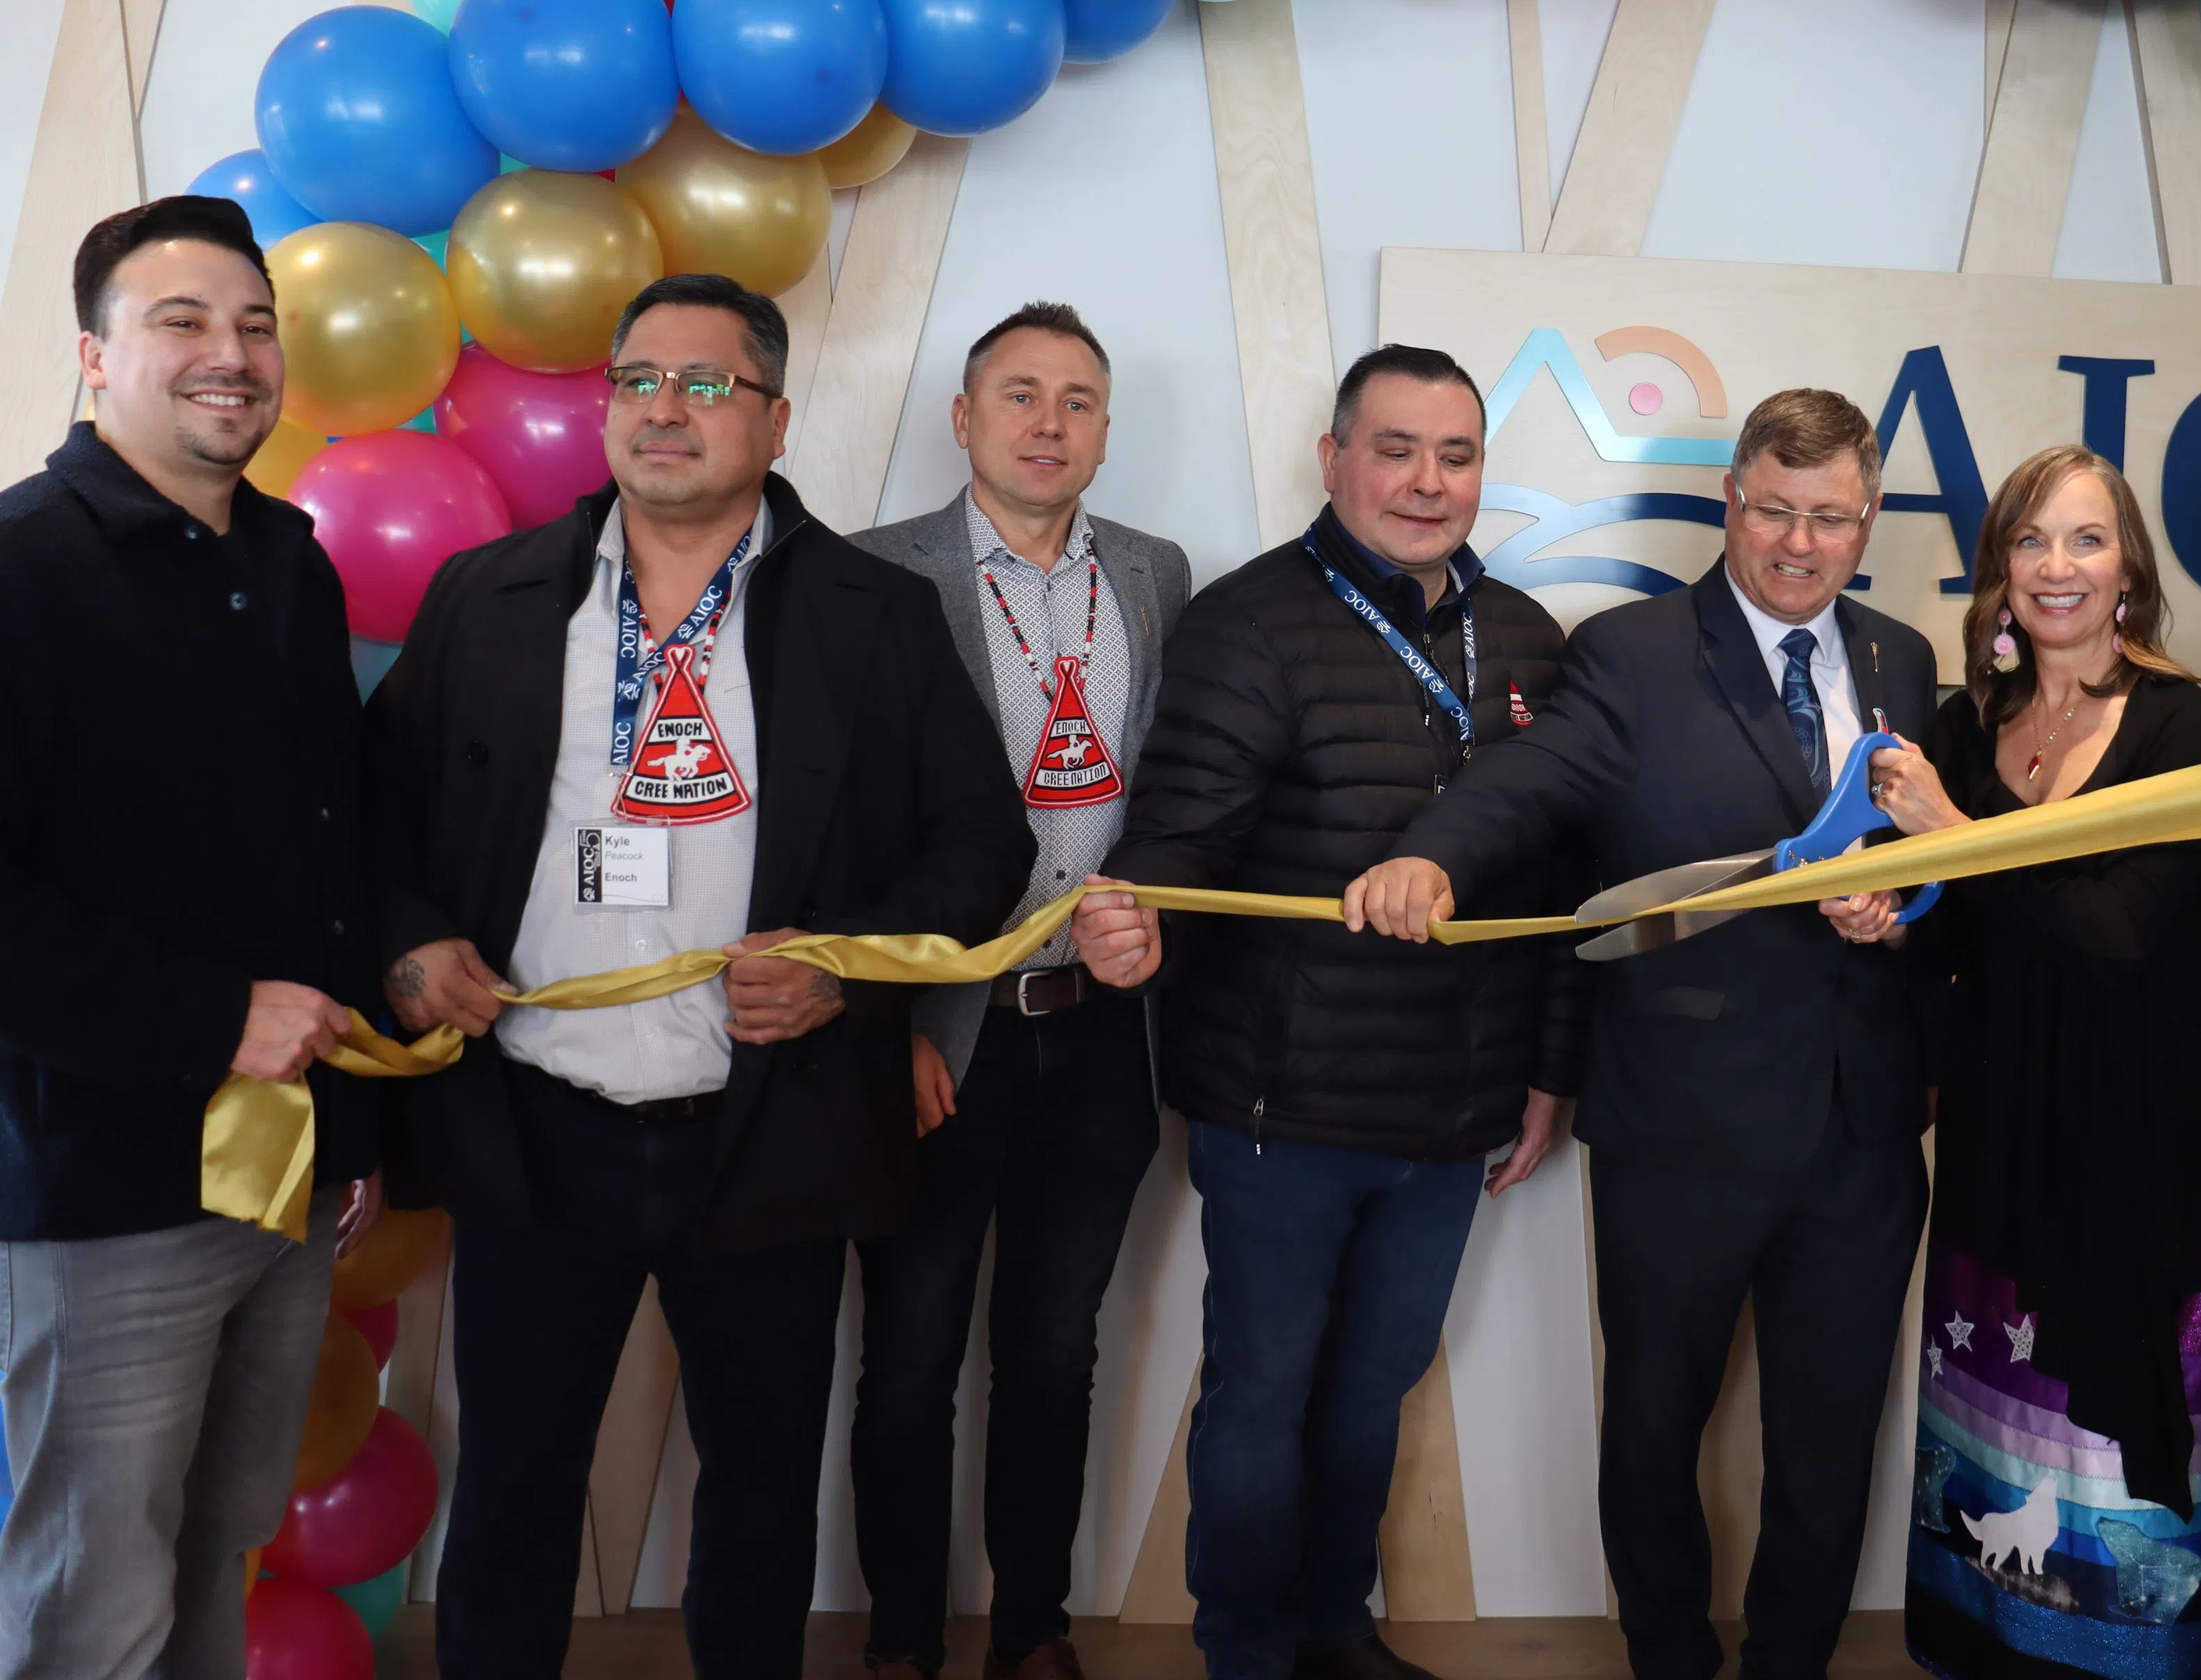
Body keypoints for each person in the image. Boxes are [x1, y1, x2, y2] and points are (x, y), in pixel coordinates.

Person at [365, 273, 1034, 1679]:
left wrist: (845, 973)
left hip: (769, 1128)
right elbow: (370, 827)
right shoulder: (485, 598)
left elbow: (984, 843)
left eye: (707, 384)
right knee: (513, 1486)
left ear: (776, 419)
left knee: (758, 1487)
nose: (663, 409)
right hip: (538, 1123)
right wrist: (412, 943)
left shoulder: (872, 615)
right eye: (638, 380)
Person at [1343, 388, 1936, 1680]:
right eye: (1775, 511)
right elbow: (1527, 786)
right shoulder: (1630, 651)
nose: (1799, 544)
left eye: (1831, 519)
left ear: (1868, 517)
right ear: (1732, 498)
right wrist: (1431, 857)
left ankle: (1790, 1663)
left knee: (1833, 1432)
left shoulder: (1902, 656)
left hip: (1865, 1128)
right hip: (1684, 1122)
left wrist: (1895, 908)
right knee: (1656, 1427)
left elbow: (1931, 863)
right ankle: (1670, 1657)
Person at [1070, 344, 1580, 1680]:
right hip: (1279, 1104)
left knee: (1372, 1392)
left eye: (1455, 455)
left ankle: (1333, 1630)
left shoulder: (1525, 636)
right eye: (1396, 448)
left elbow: (1553, 875)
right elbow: (1179, 834)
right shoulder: (1250, 620)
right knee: (1263, 1398)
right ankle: (1243, 1650)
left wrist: (1545, 1070)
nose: (1426, 481)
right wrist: (1139, 931)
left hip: (1455, 1100)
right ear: (1335, 456)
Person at [0, 195, 386, 1680]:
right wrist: (214, 1018)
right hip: (104, 1189)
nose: (229, 354)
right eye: (181, 321)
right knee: (92, 1602)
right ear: (94, 356)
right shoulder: (24, 568)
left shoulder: (291, 563)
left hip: (281, 1180)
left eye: (252, 324)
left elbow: (320, 858)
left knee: (215, 1552)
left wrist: (342, 1117)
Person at [1855, 446, 2201, 1677]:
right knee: (1998, 1399)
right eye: (2032, 542)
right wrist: (1896, 911)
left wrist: (1953, 839)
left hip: (2144, 1126)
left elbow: (2121, 938)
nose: (2058, 567)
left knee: (2126, 1398)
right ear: (2000, 572)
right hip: (2000, 1116)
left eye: (2085, 540)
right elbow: (1966, 927)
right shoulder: (1966, 724)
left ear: (2128, 564)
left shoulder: (2189, 718)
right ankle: (1992, 1647)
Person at [846, 302, 1191, 1680]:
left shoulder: (1159, 574)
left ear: (1105, 428)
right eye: (1020, 396)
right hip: (942, 1037)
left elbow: (1173, 794)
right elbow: (845, 826)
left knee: (1056, 1351)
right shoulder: (877, 577)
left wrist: (1153, 912)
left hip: (1101, 1033)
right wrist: (886, 1029)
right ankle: (900, 1642)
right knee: (911, 1358)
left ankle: (1033, 1628)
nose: (1048, 424)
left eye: (1078, 401)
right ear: (964, 418)